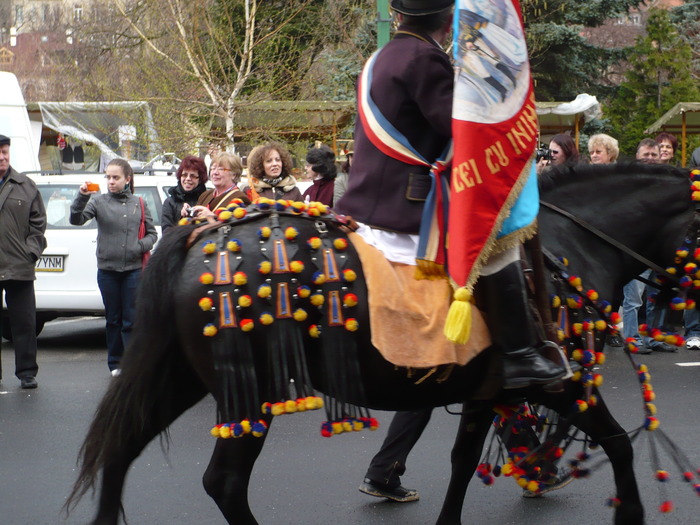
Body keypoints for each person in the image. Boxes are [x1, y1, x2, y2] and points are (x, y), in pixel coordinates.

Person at [335, 0, 564, 502]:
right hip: (412, 215)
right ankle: (524, 357)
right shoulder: (425, 60)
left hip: (372, 210)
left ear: (397, 15)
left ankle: (526, 456)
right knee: (500, 256)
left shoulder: (381, 58)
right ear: (447, 21)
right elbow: (466, 134)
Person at [70, 158, 157, 375]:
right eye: (108, 177)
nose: (111, 181)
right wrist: (81, 196)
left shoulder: (139, 202)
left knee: (131, 319)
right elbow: (76, 219)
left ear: (127, 179)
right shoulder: (98, 202)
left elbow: (152, 234)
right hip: (108, 271)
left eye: (116, 177)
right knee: (113, 319)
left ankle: (133, 363)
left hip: (133, 270)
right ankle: (115, 363)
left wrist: (139, 246)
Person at [0, 134, 47, 389]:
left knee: (25, 322)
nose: (2, 157)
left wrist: (31, 252)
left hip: (19, 266)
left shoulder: (26, 186)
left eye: (5, 151)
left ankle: (27, 372)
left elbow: (38, 225)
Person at [187, 152, 250, 219]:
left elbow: (239, 226)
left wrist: (212, 217)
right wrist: (187, 213)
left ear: (234, 174)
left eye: (221, 169)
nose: (215, 173)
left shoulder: (240, 198)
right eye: (213, 168)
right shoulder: (205, 195)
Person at [161, 155, 208, 234]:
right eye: (184, 175)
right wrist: (182, 219)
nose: (188, 179)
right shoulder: (170, 202)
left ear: (200, 179)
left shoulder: (207, 199)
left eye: (193, 176)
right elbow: (167, 234)